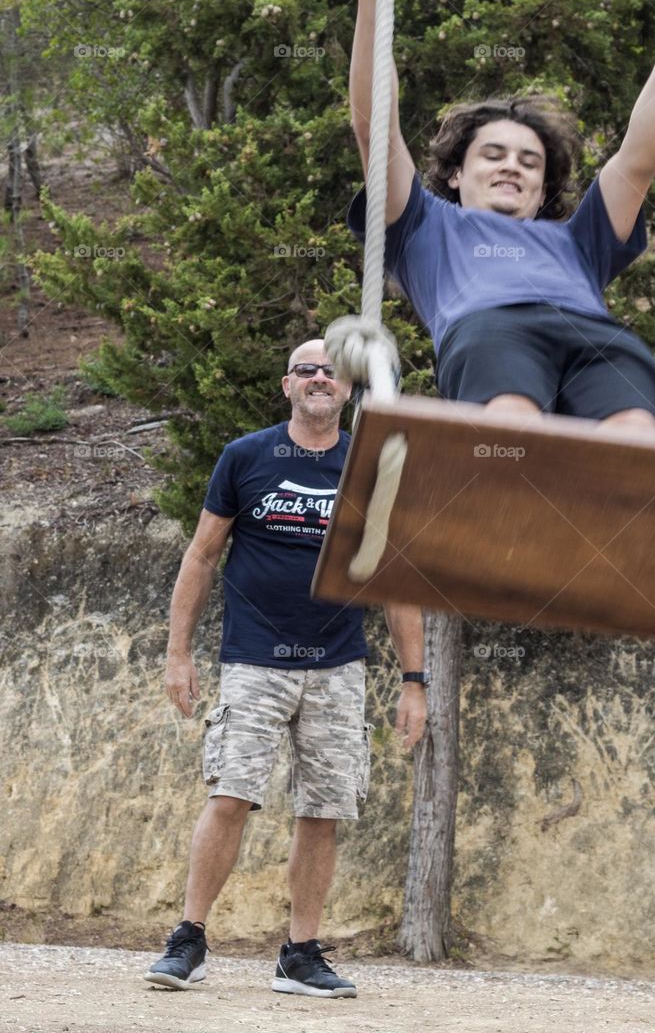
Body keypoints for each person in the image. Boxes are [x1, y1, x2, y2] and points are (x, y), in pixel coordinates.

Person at [347, 0, 655, 435]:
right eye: (493, 154)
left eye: (529, 160)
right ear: (455, 174)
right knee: (512, 427)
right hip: (490, 328)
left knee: (635, 436)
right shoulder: (422, 227)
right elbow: (373, 126)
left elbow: (639, 156)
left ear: (542, 189)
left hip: (595, 336)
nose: (512, 166)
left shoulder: (580, 241)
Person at [144, 337, 428, 998]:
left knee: (322, 811)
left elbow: (395, 580)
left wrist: (414, 682)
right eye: (307, 371)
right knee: (231, 794)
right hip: (253, 661)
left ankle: (299, 954)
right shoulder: (246, 457)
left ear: (351, 389)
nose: (320, 379)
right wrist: (177, 653)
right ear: (287, 385)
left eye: (333, 372)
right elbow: (202, 555)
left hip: (337, 667)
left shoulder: (370, 466)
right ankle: (188, 939)